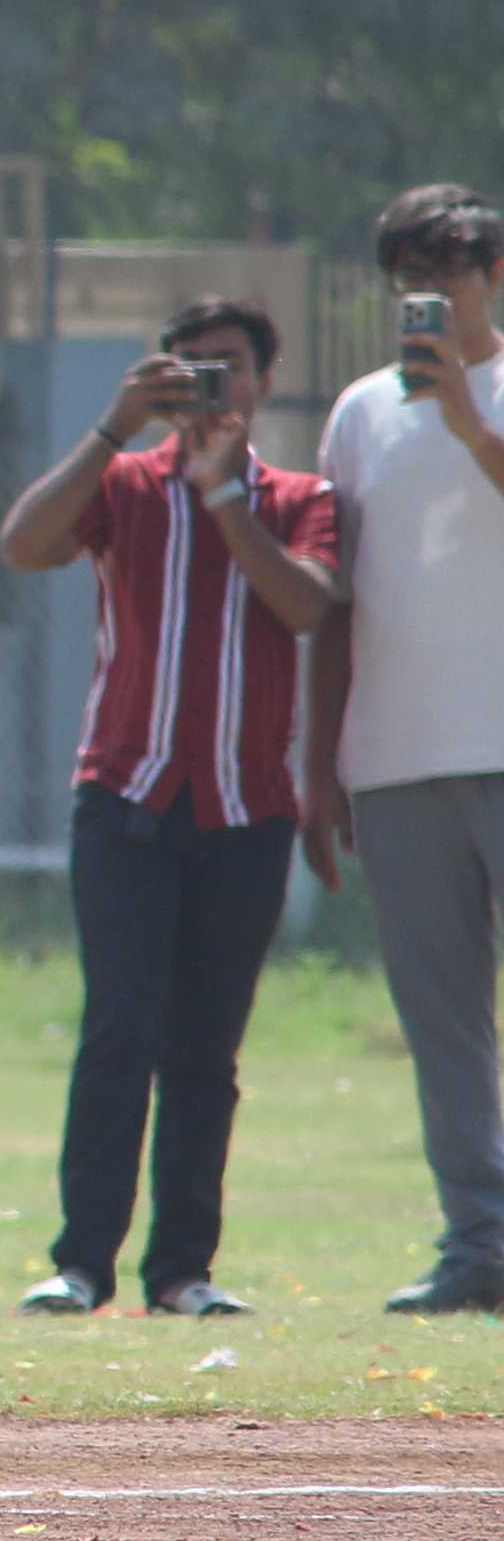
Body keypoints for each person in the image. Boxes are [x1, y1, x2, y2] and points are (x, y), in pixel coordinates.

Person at [0, 294, 338, 1319]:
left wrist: (225, 494)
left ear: (265, 379)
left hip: (245, 808)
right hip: (128, 799)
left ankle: (183, 1270)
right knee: (119, 1031)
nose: (209, 385)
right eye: (188, 368)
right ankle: (81, 1265)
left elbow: (305, 604)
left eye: (227, 366)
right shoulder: (125, 484)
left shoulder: (300, 497)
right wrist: (114, 426)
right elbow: (23, 544)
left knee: (205, 1051)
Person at [309, 185, 504, 1318]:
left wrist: (472, 427)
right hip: (397, 754)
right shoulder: (360, 412)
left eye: (448, 273)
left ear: (494, 275)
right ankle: (480, 1246)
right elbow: (339, 595)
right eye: (409, 280)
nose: (427, 297)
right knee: (442, 1021)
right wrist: (317, 758)